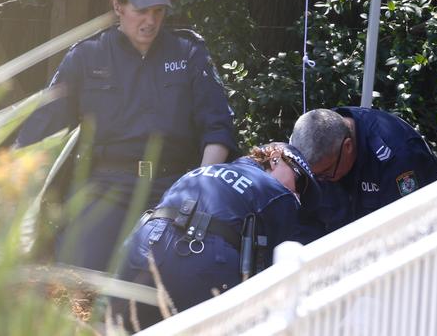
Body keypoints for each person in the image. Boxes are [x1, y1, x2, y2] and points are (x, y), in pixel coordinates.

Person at [14, 0, 236, 272]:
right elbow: (41, 130)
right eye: (141, 10)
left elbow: (218, 129)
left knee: (186, 275)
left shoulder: (188, 52)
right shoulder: (87, 56)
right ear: (117, 4)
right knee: (76, 274)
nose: (151, 21)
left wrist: (198, 190)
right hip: (107, 187)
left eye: (158, 11)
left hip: (174, 187)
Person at [109, 142, 319, 331]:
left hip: (141, 245)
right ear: (275, 159)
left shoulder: (205, 171)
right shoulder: (279, 194)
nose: (297, 194)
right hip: (200, 258)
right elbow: (274, 270)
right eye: (299, 182)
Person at [289, 107, 437, 242]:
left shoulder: (396, 157)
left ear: (347, 147)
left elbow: (407, 227)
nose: (320, 181)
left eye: (325, 174)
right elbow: (303, 222)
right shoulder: (317, 134)